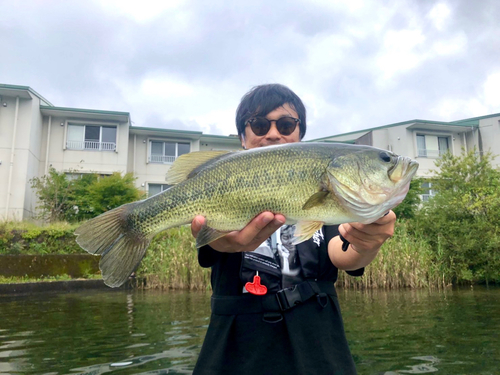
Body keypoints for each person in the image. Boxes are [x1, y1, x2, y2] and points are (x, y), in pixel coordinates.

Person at [191, 84, 395, 375]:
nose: (273, 133)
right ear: (242, 138)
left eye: (286, 124)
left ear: (300, 136)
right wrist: (220, 241)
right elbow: (213, 242)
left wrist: (366, 243)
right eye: (259, 125)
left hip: (317, 346)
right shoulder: (222, 182)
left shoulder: (333, 193)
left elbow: (342, 252)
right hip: (236, 349)